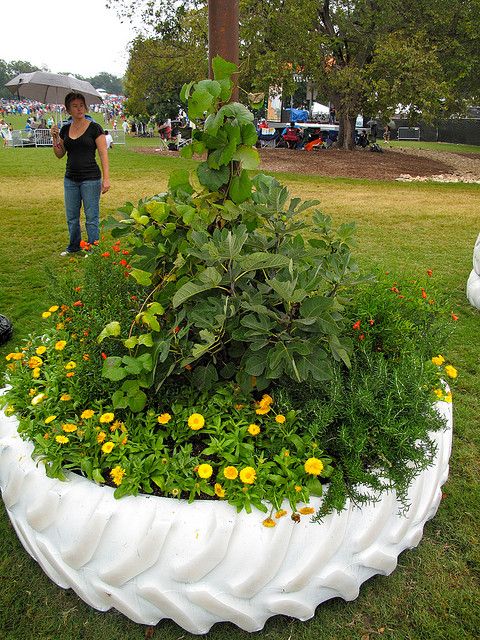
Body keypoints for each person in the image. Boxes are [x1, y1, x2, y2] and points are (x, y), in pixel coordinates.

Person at [51, 92, 110, 257]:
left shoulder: (94, 128)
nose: (79, 109)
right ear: (68, 110)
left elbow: (103, 153)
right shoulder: (65, 129)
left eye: (81, 105)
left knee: (91, 217)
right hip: (70, 179)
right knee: (72, 217)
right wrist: (55, 138)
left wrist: (106, 179)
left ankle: (93, 248)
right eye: (75, 106)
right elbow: (59, 154)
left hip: (91, 179)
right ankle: (74, 246)